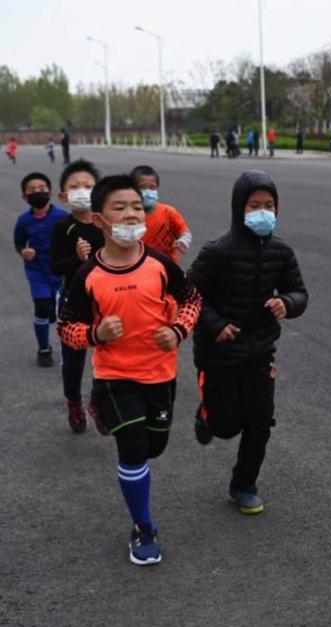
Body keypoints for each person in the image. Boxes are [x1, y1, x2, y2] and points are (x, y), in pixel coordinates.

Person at [58, 174, 201, 565]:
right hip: (115, 374)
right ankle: (143, 526)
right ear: (100, 220)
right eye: (119, 208)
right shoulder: (88, 275)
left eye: (136, 207)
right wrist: (95, 333)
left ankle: (105, 415)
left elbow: (191, 300)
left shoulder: (159, 263)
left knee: (155, 445)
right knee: (134, 447)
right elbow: (67, 327)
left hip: (159, 373)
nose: (131, 214)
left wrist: (178, 329)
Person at [187, 170, 307, 515]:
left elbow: (299, 291)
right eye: (254, 205)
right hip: (218, 352)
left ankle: (243, 484)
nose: (263, 212)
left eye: (269, 205)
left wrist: (289, 302)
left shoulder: (281, 252)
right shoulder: (218, 251)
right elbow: (189, 294)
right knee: (225, 427)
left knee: (260, 420)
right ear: (239, 208)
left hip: (260, 349)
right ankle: (207, 413)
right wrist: (215, 325)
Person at [50, 159, 104, 433]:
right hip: (74, 301)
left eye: (88, 186)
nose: (82, 190)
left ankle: (98, 400)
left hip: (106, 300)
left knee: (107, 354)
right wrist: (77, 258)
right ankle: (74, 402)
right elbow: (55, 265)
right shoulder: (64, 227)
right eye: (75, 186)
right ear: (63, 195)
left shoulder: (105, 223)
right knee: (73, 359)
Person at [13, 172, 69, 367]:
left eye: (42, 189)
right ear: (24, 196)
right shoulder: (23, 220)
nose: (37, 192)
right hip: (37, 271)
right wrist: (23, 251)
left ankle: (69, 346)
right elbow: (19, 242)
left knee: (62, 311)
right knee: (42, 307)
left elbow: (73, 237)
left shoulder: (62, 216)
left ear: (50, 193)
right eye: (32, 190)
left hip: (59, 270)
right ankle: (44, 349)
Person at [130, 165, 192, 265]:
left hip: (167, 266)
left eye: (152, 187)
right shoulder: (128, 216)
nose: (148, 191)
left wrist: (183, 241)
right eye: (142, 187)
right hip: (138, 266)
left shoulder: (168, 212)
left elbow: (184, 232)